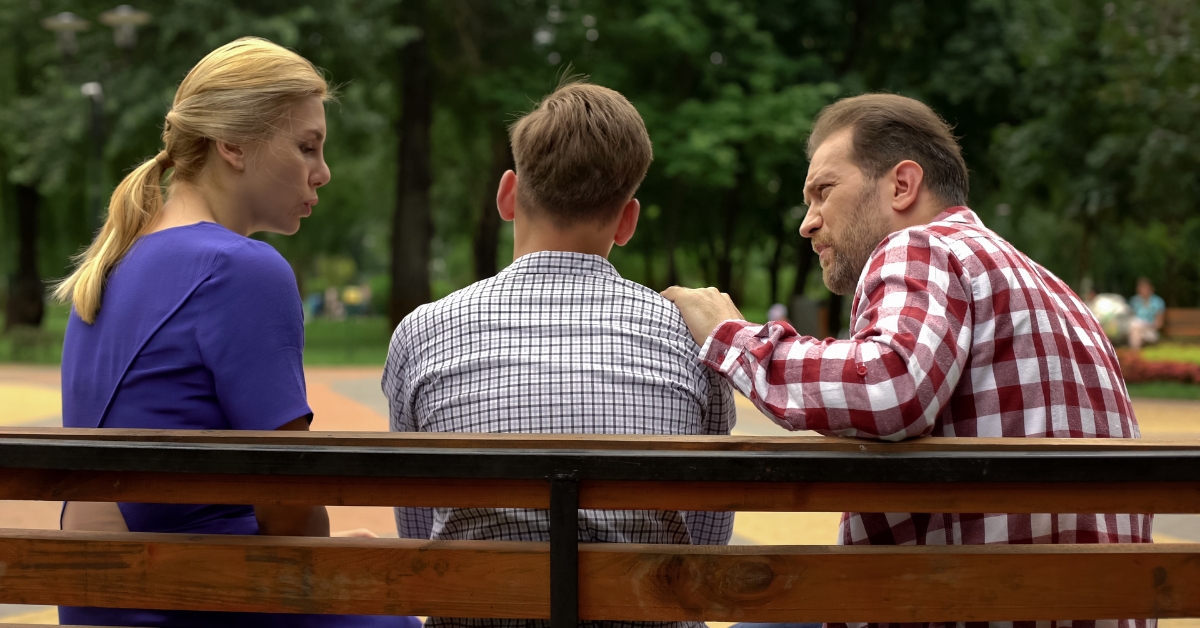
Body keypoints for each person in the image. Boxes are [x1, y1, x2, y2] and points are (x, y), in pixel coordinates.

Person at [664, 94, 1150, 628]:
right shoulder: (1052, 289)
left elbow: (888, 385)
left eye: (823, 191)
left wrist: (734, 337)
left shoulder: (921, 246)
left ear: (902, 185)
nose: (807, 223)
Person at [55, 37, 417, 628]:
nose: (322, 173)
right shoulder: (241, 268)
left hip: (113, 598)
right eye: (307, 147)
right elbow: (290, 505)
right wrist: (332, 555)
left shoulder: (111, 265)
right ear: (232, 144)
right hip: (203, 596)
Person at [382, 79, 736, 628]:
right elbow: (706, 539)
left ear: (507, 194)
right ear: (627, 221)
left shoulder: (421, 332)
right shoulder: (689, 337)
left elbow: (419, 527)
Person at [1129, 277, 1166, 350]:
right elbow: (1130, 318)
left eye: (1145, 288)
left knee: (1136, 328)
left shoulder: (1158, 302)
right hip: (1136, 330)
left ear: (1151, 289)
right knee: (1135, 329)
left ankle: (1134, 354)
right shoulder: (1134, 301)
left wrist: (1147, 326)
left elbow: (1159, 324)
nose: (1143, 290)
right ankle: (1136, 353)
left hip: (1151, 332)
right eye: (1141, 288)